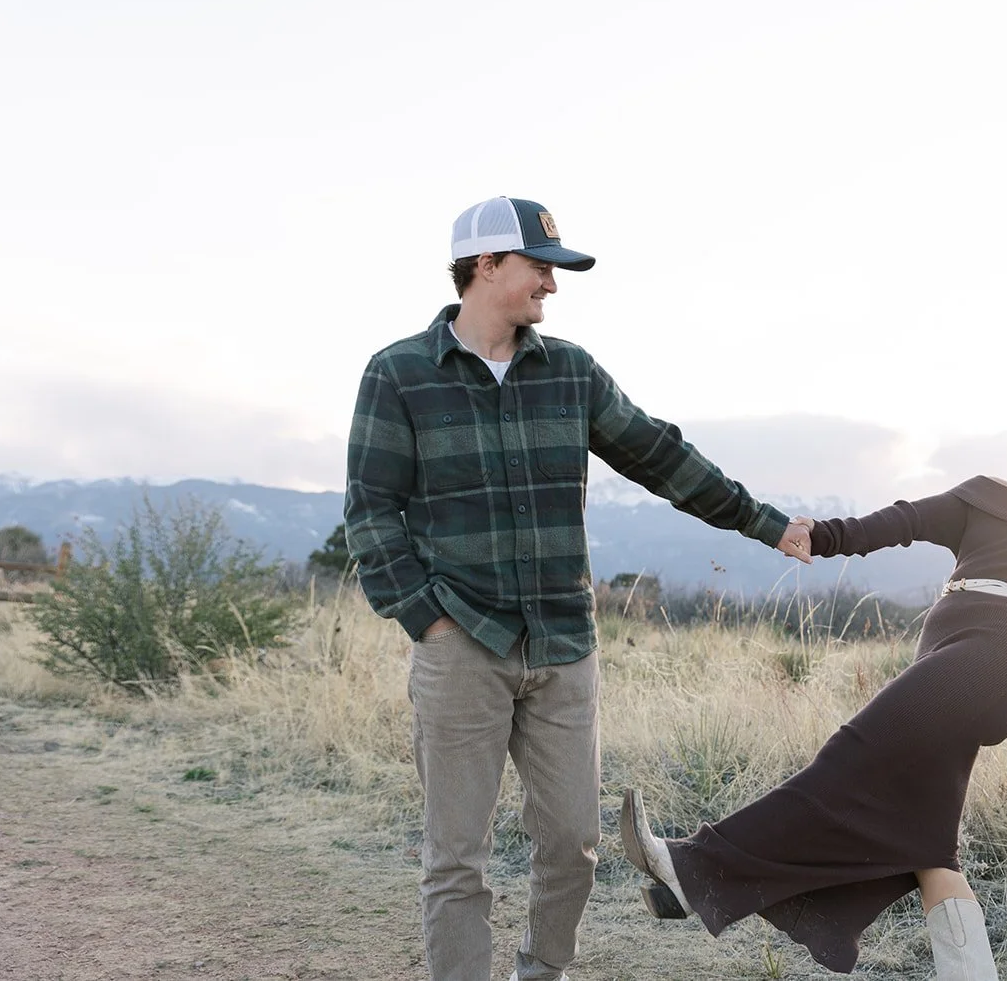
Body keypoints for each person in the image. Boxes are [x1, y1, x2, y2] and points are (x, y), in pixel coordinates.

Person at [343, 196, 813, 981]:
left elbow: (661, 457)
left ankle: (543, 969)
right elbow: (370, 512)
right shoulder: (399, 374)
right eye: (540, 268)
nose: (552, 286)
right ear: (485, 265)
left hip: (564, 645)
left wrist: (766, 523)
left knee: (573, 844)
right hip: (461, 642)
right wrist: (425, 618)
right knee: (456, 857)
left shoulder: (571, 371)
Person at [620, 378, 1007, 979]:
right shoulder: (988, 494)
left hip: (997, 661)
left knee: (852, 752)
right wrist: (817, 535)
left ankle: (695, 870)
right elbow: (900, 521)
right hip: (945, 653)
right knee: (932, 853)